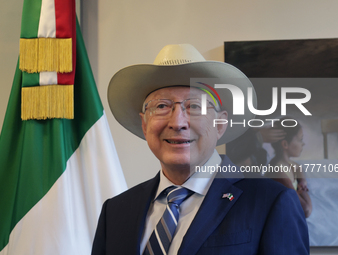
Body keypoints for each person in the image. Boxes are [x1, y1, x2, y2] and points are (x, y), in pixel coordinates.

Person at [91, 44, 309, 255]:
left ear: (220, 125)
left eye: (195, 106)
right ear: (145, 124)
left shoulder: (271, 202)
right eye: (161, 106)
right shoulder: (116, 212)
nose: (177, 123)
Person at [269, 118, 312, 218]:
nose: (303, 143)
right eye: (300, 140)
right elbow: (306, 210)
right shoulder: (279, 171)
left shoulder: (288, 164)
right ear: (285, 144)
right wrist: (303, 191)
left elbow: (299, 169)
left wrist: (302, 182)